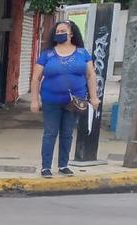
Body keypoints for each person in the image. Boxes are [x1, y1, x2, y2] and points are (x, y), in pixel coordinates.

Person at [30, 20, 98, 178]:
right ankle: (46, 167)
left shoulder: (82, 53)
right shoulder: (47, 54)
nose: (59, 34)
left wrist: (94, 97)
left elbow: (90, 75)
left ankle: (63, 165)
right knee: (50, 133)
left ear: (71, 34)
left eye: (63, 31)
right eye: (57, 32)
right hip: (51, 101)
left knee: (67, 133)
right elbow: (35, 78)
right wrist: (34, 100)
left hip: (74, 102)